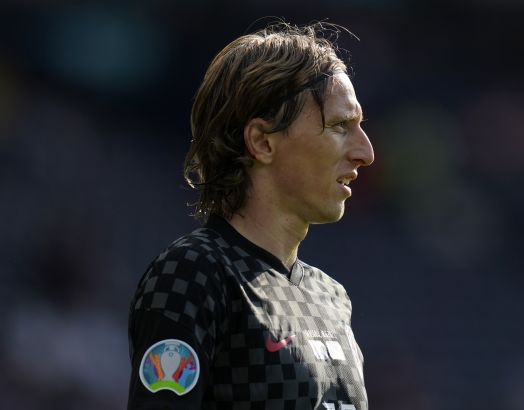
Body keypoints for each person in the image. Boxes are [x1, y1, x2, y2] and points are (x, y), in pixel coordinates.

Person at [127, 22, 374, 410]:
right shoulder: (195, 273)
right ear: (262, 141)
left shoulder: (331, 297)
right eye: (340, 126)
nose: (366, 153)